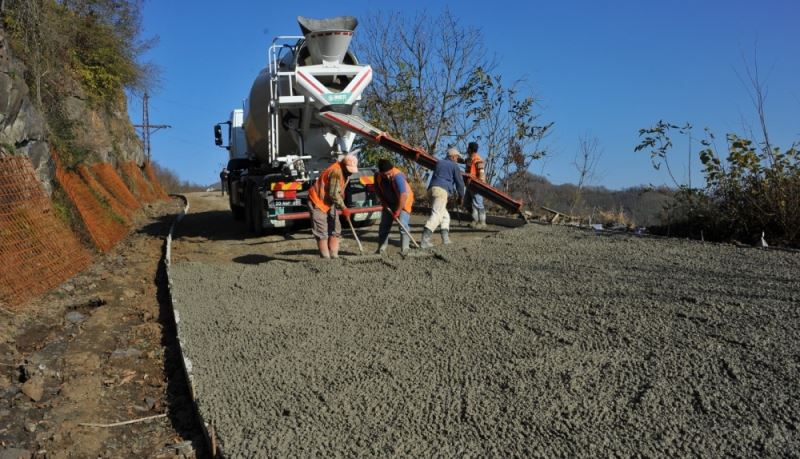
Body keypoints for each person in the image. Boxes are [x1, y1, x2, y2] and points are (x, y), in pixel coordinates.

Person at [308, 155, 358, 259]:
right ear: (343, 165)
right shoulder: (336, 171)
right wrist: (344, 208)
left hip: (330, 202)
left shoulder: (345, 172)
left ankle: (334, 255)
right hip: (318, 201)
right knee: (322, 232)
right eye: (349, 170)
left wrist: (342, 193)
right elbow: (334, 194)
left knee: (336, 228)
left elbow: (337, 190)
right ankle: (326, 259)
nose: (351, 172)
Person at [420, 147, 465, 248]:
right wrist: (461, 197)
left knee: (445, 216)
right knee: (437, 215)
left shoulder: (439, 162)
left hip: (431, 190)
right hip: (441, 191)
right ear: (453, 157)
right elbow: (460, 184)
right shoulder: (454, 166)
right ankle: (424, 241)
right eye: (457, 158)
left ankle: (445, 239)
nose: (458, 160)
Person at [374, 158, 414, 255]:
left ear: (392, 169)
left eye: (389, 173)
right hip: (389, 202)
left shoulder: (398, 176)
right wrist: (383, 202)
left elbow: (403, 195)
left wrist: (398, 211)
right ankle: (381, 250)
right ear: (381, 173)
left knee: (402, 225)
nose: (388, 176)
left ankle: (405, 250)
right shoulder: (377, 176)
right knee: (384, 226)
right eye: (385, 174)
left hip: (403, 202)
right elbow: (377, 190)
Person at [464, 141, 487, 228]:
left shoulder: (477, 159)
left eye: (468, 148)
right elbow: (464, 161)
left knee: (478, 204)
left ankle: (482, 222)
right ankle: (475, 220)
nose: (467, 149)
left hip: (476, 185)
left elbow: (481, 172)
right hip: (470, 185)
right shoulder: (470, 159)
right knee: (467, 203)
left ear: (470, 149)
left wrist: (481, 184)